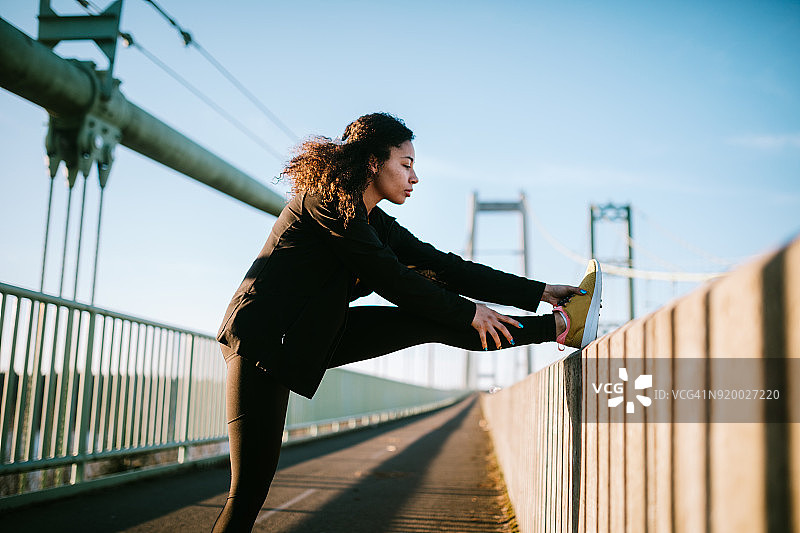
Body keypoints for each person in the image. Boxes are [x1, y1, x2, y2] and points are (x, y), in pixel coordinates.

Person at [211, 112, 602, 532]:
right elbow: (391, 280)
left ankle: (561, 326)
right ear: (373, 163)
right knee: (248, 494)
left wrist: (540, 290)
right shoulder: (325, 204)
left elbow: (446, 267)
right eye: (406, 164)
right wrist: (469, 310)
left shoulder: (374, 223)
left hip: (313, 333)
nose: (414, 177)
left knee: (427, 319)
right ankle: (560, 327)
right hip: (261, 344)